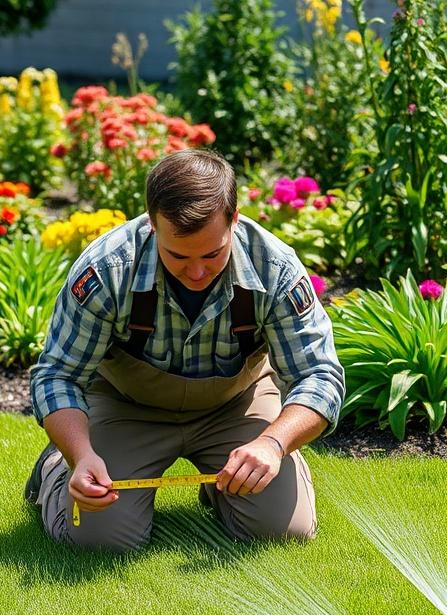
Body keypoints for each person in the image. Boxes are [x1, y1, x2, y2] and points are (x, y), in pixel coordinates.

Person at [25, 149, 344, 551]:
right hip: (127, 407)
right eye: (178, 256)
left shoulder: (276, 269)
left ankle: (226, 486)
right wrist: (80, 455)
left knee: (282, 532)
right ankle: (55, 469)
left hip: (237, 406)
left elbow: (320, 376)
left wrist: (272, 443)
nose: (196, 272)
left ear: (234, 219)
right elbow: (58, 375)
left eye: (213, 254)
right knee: (101, 539)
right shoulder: (106, 270)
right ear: (152, 224)